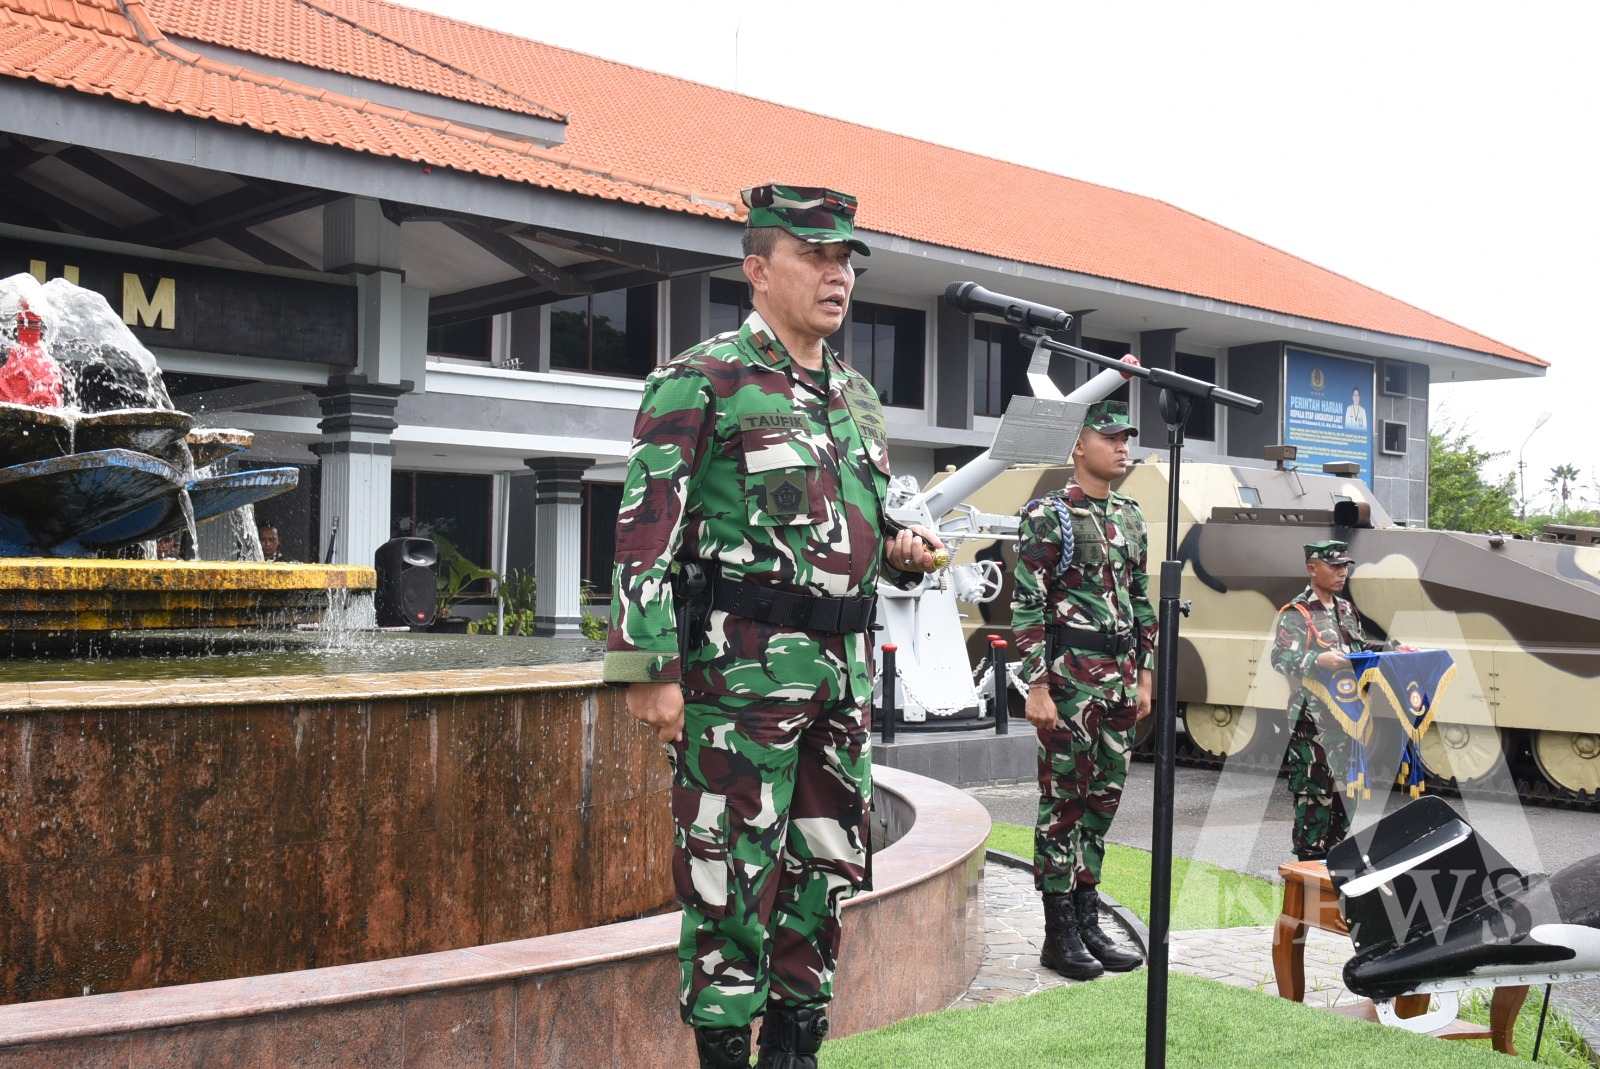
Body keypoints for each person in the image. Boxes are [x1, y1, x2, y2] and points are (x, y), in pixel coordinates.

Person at [604, 184, 943, 1069]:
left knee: (826, 868)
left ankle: (797, 1048)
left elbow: (852, 527)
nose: (839, 275)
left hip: (840, 673)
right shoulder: (703, 377)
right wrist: (647, 666)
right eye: (816, 256)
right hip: (740, 679)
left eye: (846, 260)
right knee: (730, 875)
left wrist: (900, 550)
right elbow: (646, 525)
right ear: (758, 270)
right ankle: (722, 1052)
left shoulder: (858, 399)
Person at [1011, 397, 1154, 981]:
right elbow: (1025, 604)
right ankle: (1058, 930)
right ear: (1078, 445)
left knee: (1103, 804)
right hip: (1071, 684)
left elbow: (1142, 599)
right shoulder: (1050, 515)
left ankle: (1088, 914)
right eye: (1110, 437)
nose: (1122, 446)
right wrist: (1037, 686)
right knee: (1063, 806)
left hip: (1120, 684)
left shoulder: (1132, 514)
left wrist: (1145, 674)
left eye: (1126, 438)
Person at [1269, 540, 1391, 861]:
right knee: (1314, 798)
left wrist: (1392, 651)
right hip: (1313, 723)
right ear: (1312, 568)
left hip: (1348, 721)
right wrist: (1317, 661)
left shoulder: (1346, 610)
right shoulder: (1297, 613)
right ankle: (1308, 868)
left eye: (1345, 566)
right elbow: (1280, 658)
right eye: (1334, 566)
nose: (1342, 573)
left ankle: (1332, 862)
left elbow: (1359, 650)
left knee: (1346, 799)